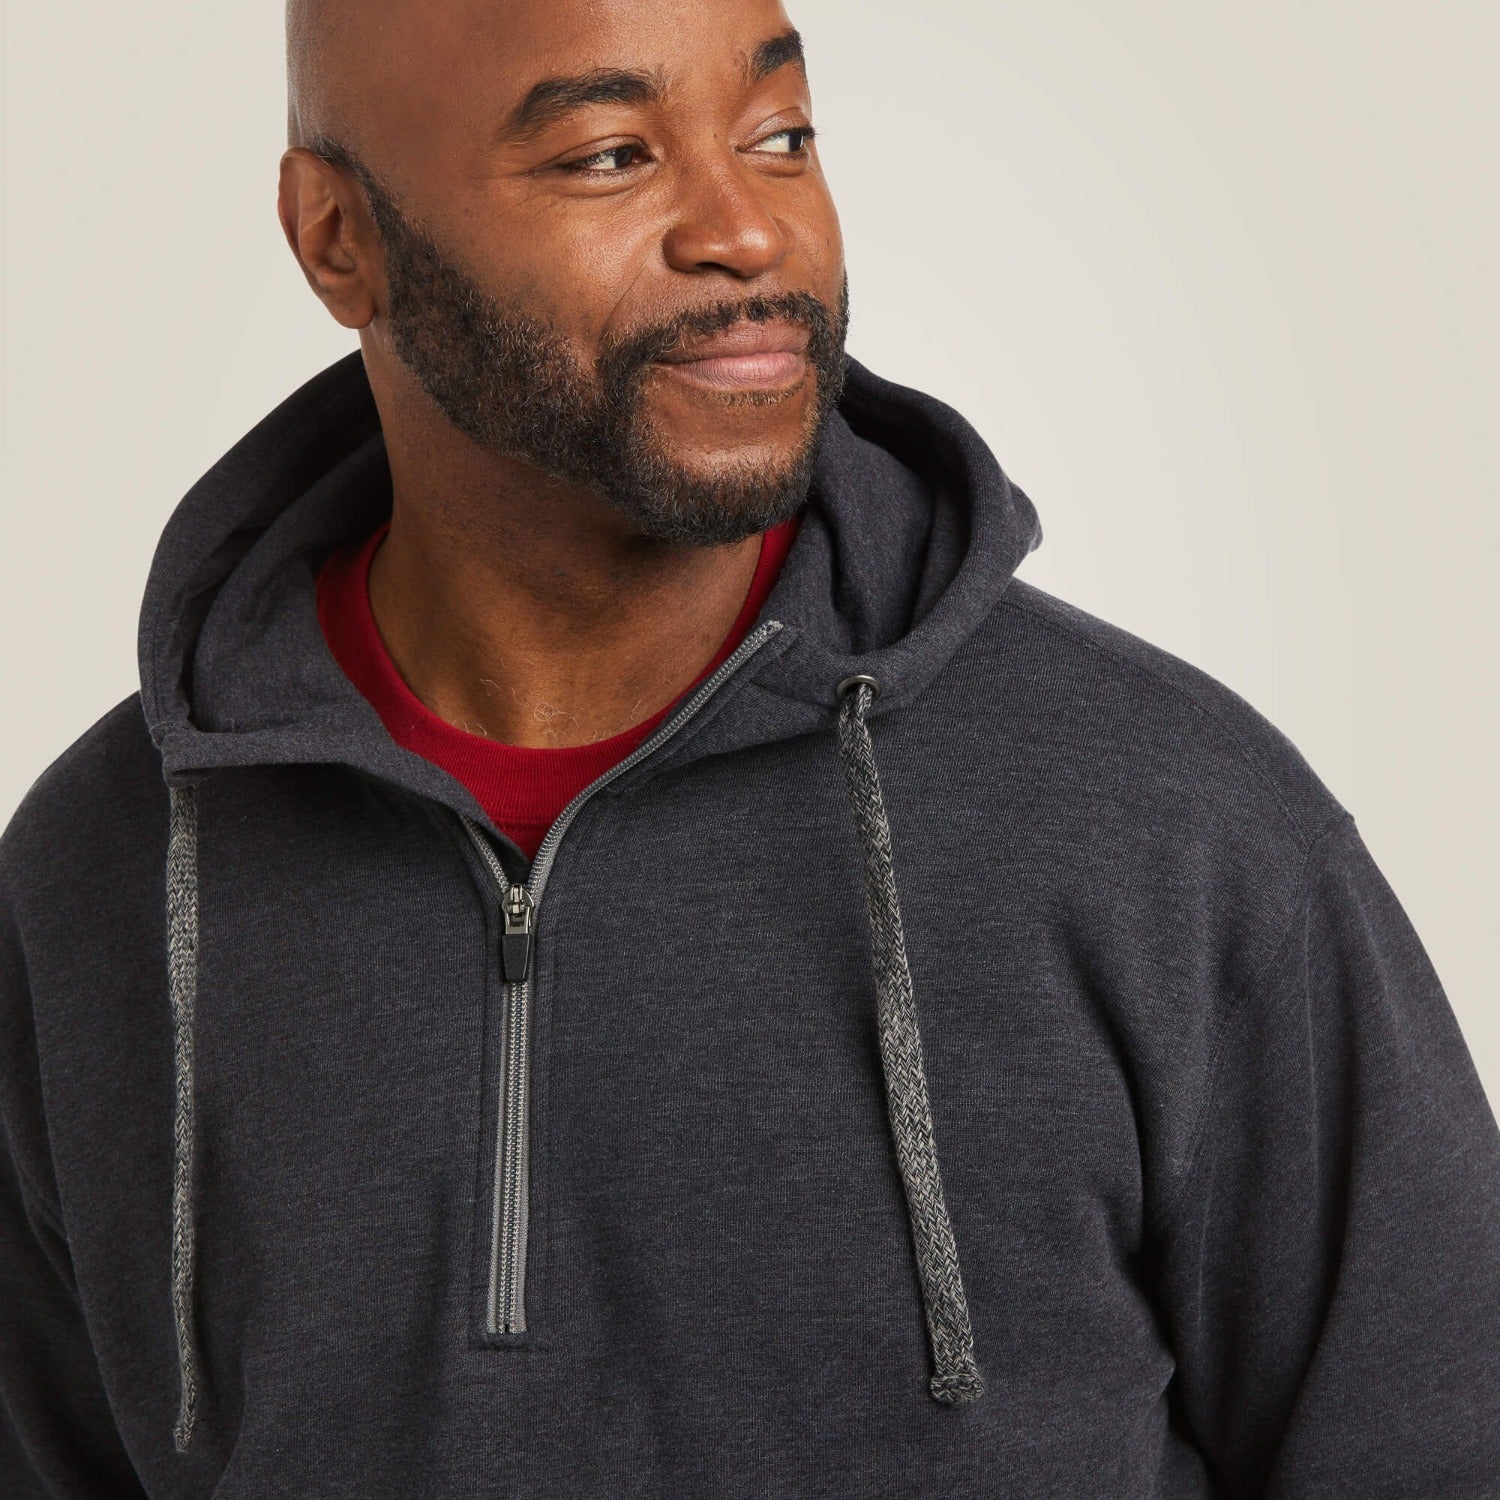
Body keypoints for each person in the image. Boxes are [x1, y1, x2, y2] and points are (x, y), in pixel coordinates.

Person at [3, 0, 1497, 1493]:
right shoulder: (93, 883)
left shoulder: (1170, 824)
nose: (749, 233)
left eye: (781, 136)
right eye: (609, 154)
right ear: (339, 240)